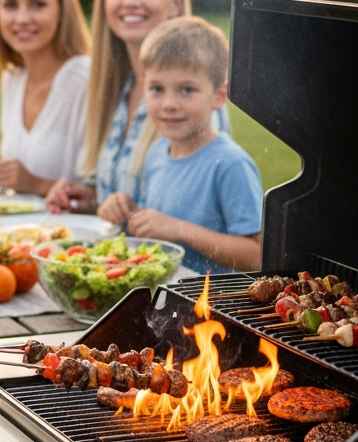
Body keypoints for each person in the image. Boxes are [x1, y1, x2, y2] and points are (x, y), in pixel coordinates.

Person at [45, 0, 230, 214]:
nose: (131, 1)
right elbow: (125, 198)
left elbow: (203, 213)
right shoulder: (118, 87)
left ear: (176, 3)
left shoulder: (195, 100)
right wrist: (89, 200)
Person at [98, 17, 263, 273]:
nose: (169, 104)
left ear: (219, 96)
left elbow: (256, 256)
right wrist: (128, 211)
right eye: (157, 89)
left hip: (206, 306)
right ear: (144, 88)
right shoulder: (157, 154)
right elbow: (158, 221)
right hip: (159, 297)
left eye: (186, 90)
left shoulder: (230, 164)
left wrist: (179, 229)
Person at [0, 0, 92, 194]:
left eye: (38, 5)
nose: (22, 18)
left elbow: (102, 193)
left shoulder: (84, 79)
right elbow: (30, 166)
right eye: (10, 5)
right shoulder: (13, 77)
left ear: (62, 11)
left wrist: (36, 185)